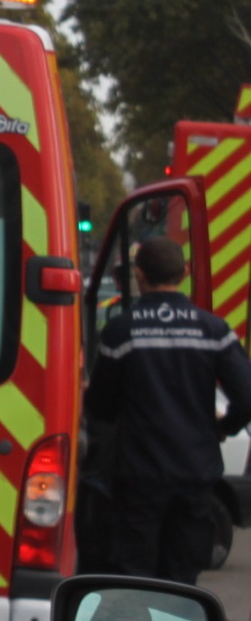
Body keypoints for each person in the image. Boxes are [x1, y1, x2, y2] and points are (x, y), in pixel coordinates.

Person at [83, 235, 251, 584]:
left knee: (135, 579)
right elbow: (247, 396)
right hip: (195, 476)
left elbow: (101, 407)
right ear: (185, 272)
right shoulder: (213, 331)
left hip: (138, 479)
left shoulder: (121, 332)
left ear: (139, 275)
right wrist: (224, 427)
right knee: (182, 581)